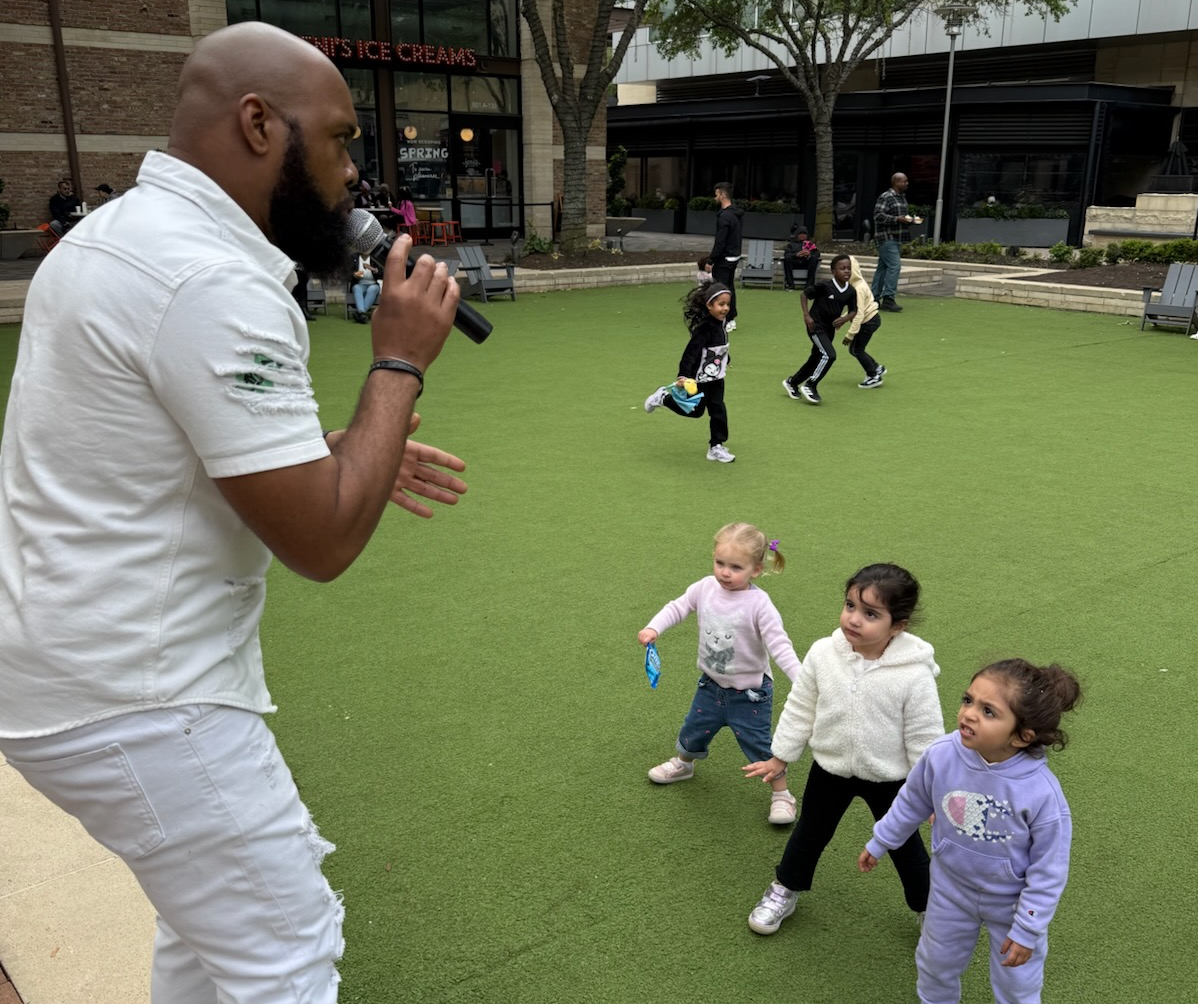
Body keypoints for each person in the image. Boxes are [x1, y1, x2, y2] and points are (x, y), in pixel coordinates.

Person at [0, 22, 468, 1002]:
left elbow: (148, 444)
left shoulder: (116, 238)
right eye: (338, 140)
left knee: (206, 935)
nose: (352, 174)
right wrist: (398, 360)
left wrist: (325, 451)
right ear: (259, 124)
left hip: (63, 671)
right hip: (136, 693)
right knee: (287, 950)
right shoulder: (209, 279)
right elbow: (320, 540)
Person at [859, 659, 1082, 1004]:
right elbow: (912, 800)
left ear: (1022, 736)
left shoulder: (1041, 793)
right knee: (935, 963)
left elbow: (1049, 869)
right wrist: (881, 840)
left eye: (988, 711)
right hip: (950, 888)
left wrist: (1028, 928)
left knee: (1017, 981)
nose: (969, 714)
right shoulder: (941, 755)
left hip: (1011, 903)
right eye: (968, 700)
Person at [744, 564, 942, 935]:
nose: (854, 618)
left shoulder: (914, 674)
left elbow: (925, 737)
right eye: (850, 605)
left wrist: (931, 792)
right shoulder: (823, 653)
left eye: (871, 614)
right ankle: (785, 888)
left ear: (898, 626)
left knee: (904, 845)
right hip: (830, 769)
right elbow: (801, 706)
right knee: (810, 833)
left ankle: (930, 908)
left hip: (889, 777)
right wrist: (780, 756)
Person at [638, 523, 802, 825]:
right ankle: (684, 764)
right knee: (694, 729)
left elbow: (779, 645)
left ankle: (782, 794)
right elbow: (678, 607)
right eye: (720, 563)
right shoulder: (704, 588)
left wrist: (801, 679)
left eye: (736, 567)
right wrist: (654, 627)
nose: (725, 572)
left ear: (756, 570)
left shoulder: (759, 604)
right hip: (711, 686)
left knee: (759, 745)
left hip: (750, 694)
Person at [643, 282, 735, 463]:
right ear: (709, 306)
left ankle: (716, 446)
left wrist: (727, 359)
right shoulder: (704, 328)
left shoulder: (722, 324)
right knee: (695, 411)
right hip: (698, 379)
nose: (725, 308)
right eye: (721, 304)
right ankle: (663, 398)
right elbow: (690, 353)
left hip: (716, 378)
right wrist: (683, 376)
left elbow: (718, 348)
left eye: (727, 304)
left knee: (718, 409)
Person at [782, 253, 856, 406]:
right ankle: (811, 385)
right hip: (815, 326)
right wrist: (806, 315)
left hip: (830, 330)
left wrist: (844, 319)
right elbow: (804, 295)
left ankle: (792, 382)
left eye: (849, 268)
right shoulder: (824, 286)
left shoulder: (851, 291)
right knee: (830, 355)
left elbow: (854, 310)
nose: (846, 271)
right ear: (833, 271)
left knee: (816, 358)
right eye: (842, 268)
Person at [842, 255, 886, 389]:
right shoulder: (856, 285)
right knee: (855, 349)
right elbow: (854, 310)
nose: (845, 272)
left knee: (856, 349)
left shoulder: (858, 289)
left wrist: (850, 334)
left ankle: (873, 376)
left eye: (848, 269)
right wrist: (842, 319)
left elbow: (859, 313)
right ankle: (876, 367)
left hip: (868, 321)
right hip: (870, 319)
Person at [871, 172, 913, 312]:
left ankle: (873, 298)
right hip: (886, 237)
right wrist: (897, 219)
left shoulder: (902, 198)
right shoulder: (886, 197)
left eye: (906, 181)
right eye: (904, 181)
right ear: (896, 182)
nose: (906, 183)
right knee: (894, 266)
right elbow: (878, 215)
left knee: (883, 268)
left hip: (897, 237)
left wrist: (909, 220)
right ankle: (888, 298)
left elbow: (900, 216)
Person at [709, 181, 744, 330]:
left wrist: (711, 260)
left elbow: (720, 241)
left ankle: (726, 320)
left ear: (722, 195)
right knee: (729, 287)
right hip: (734, 256)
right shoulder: (735, 214)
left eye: (716, 194)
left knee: (721, 289)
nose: (715, 197)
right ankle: (730, 319)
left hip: (725, 258)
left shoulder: (724, 216)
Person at [782, 226, 820, 291]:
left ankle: (809, 285)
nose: (802, 235)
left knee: (814, 258)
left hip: (806, 263)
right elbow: (787, 254)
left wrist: (809, 254)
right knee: (787, 258)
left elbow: (817, 254)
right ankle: (790, 284)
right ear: (797, 235)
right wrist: (797, 254)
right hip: (795, 263)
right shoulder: (791, 245)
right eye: (800, 233)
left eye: (804, 233)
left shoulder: (810, 244)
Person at [351, 251, 381, 322]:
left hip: (373, 284)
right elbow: (348, 273)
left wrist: (372, 269)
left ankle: (361, 313)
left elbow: (382, 272)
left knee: (372, 289)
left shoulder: (375, 258)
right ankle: (362, 314)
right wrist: (354, 275)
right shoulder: (354, 258)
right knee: (356, 288)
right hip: (360, 284)